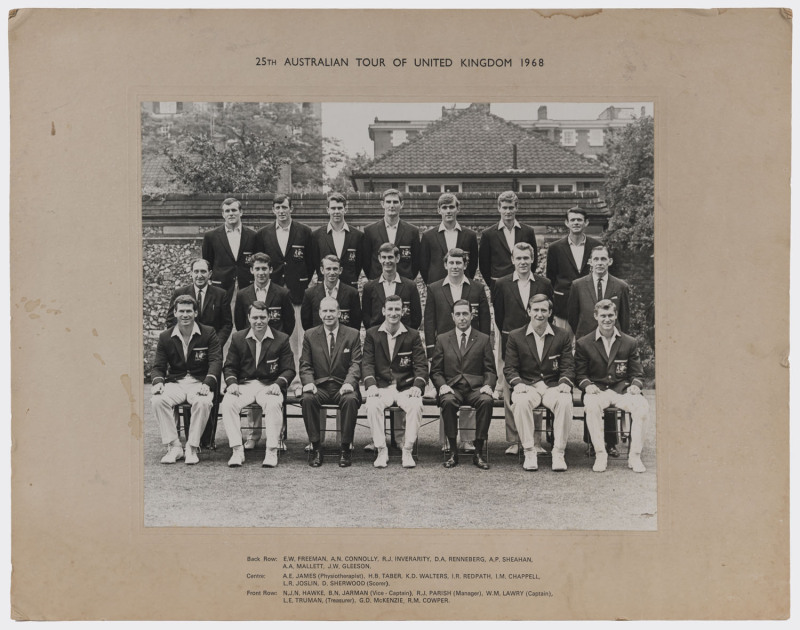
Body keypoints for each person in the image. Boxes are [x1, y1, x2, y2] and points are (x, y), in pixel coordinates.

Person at [423, 246, 491, 453]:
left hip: (471, 346)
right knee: (446, 393)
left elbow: (485, 320)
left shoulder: (477, 288)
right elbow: (429, 320)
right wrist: (431, 350)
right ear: (445, 265)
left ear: (465, 265)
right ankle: (447, 440)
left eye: (458, 262)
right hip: (445, 347)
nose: (455, 266)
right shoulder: (435, 288)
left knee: (471, 384)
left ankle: (468, 440)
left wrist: (483, 344)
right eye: (451, 262)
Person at [491, 242, 554, 455]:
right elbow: (499, 316)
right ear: (512, 260)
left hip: (537, 343)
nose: (523, 262)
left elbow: (546, 313)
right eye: (518, 258)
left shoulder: (544, 284)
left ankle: (535, 441)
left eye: (526, 258)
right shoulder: (501, 284)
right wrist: (511, 336)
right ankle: (514, 440)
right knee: (512, 391)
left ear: (532, 259)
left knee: (535, 389)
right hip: (511, 342)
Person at [575, 299, 650, 473]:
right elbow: (580, 374)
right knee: (591, 407)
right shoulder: (584, 343)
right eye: (603, 316)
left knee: (642, 406)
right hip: (597, 390)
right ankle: (601, 454)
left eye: (610, 315)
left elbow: (637, 373)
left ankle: (635, 456)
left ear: (616, 316)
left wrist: (636, 386)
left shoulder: (629, 342)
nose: (607, 319)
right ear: (596, 316)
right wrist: (587, 386)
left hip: (621, 390)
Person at [166, 257, 232, 450]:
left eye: (203, 272)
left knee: (208, 393)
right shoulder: (180, 293)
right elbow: (171, 321)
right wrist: (184, 343)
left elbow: (227, 323)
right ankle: (190, 438)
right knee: (187, 394)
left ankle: (208, 439)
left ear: (210, 274)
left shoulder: (220, 294)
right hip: (186, 352)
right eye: (196, 272)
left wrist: (213, 345)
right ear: (191, 273)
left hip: (211, 353)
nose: (200, 275)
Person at [219, 301, 295, 468]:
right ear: (248, 318)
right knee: (228, 403)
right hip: (244, 385)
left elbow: (289, 369)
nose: (259, 321)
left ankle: (272, 451)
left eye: (262, 317)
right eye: (255, 317)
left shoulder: (281, 339)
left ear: (269, 318)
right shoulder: (238, 338)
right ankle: (237, 450)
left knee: (274, 403)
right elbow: (229, 366)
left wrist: (278, 383)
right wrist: (231, 383)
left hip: (269, 385)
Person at [504, 294, 574, 472]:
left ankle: (558, 452)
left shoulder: (563, 335)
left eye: (544, 310)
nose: (539, 314)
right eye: (535, 310)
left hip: (553, 386)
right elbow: (510, 368)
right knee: (519, 402)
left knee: (565, 401)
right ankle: (529, 451)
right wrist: (517, 383)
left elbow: (568, 366)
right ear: (528, 311)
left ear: (550, 312)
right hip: (527, 386)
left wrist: (565, 382)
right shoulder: (515, 336)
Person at [150, 295, 222, 465]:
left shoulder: (208, 333)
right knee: (157, 400)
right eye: (181, 311)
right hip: (176, 383)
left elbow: (216, 361)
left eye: (189, 311)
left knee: (204, 402)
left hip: (199, 383)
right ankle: (174, 446)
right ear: (175, 313)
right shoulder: (165, 337)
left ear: (195, 312)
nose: (185, 315)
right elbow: (158, 366)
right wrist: (158, 382)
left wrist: (208, 383)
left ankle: (192, 447)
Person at [362, 295, 428, 469]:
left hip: (405, 387)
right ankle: (381, 449)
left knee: (416, 404)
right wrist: (371, 384)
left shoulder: (412, 335)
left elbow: (421, 365)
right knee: (372, 404)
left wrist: (417, 386)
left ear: (403, 311)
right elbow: (367, 363)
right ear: (384, 311)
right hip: (381, 387)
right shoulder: (372, 334)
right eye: (390, 309)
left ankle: (407, 449)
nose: (393, 313)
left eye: (397, 309)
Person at [430, 300, 496, 470]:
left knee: (486, 401)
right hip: (452, 387)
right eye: (458, 314)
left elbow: (490, 370)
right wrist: (442, 386)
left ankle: (479, 452)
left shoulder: (483, 339)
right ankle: (453, 451)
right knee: (448, 401)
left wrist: (488, 385)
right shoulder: (443, 339)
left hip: (476, 388)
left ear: (471, 315)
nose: (462, 318)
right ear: (452, 317)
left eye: (465, 314)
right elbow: (436, 371)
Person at [256, 193, 315, 384]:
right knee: (271, 334)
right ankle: (271, 376)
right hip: (272, 292)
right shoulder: (264, 234)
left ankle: (298, 379)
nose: (281, 211)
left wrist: (302, 281)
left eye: (285, 207)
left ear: (291, 209)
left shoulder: (304, 232)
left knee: (297, 336)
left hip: (296, 291)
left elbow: (311, 261)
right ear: (273, 210)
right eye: (278, 207)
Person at [300, 297, 363, 468]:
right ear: (320, 314)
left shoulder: (352, 334)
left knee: (350, 399)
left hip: (342, 385)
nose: (329, 315)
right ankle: (315, 447)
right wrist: (309, 382)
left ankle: (345, 448)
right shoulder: (310, 335)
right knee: (307, 398)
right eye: (325, 311)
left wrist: (349, 383)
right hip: (319, 386)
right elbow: (305, 364)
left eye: (332, 311)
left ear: (339, 313)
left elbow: (356, 363)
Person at [545, 206, 603, 330]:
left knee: (587, 346)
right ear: (567, 223)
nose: (576, 223)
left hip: (590, 306)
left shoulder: (597, 246)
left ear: (586, 222)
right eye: (572, 220)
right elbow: (550, 278)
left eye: (579, 220)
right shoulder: (555, 248)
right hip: (563, 306)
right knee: (563, 345)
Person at [478, 190, 539, 290]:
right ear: (499, 208)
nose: (508, 211)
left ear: (516, 208)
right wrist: (493, 284)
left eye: (511, 208)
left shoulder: (528, 231)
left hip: (523, 283)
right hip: (498, 284)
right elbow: (484, 264)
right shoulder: (488, 234)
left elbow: (534, 259)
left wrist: (526, 278)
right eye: (504, 208)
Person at [201, 197, 259, 301]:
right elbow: (207, 263)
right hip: (221, 287)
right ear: (223, 214)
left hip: (247, 286)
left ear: (240, 212)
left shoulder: (253, 236)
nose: (231, 214)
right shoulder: (211, 236)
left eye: (234, 210)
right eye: (227, 211)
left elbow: (257, 262)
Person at [567, 245, 630, 339]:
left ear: (610, 261)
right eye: (596, 259)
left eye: (603, 259)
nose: (599, 263)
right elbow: (572, 317)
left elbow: (624, 319)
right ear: (590, 262)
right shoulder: (577, 285)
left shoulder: (621, 286)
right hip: (586, 340)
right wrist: (583, 336)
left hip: (612, 340)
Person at [419, 193, 478, 285]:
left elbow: (473, 264)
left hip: (462, 285)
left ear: (458, 209)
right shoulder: (428, 236)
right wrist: (432, 285)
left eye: (451, 207)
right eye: (444, 208)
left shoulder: (470, 235)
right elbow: (423, 266)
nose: (448, 211)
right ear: (439, 210)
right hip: (436, 286)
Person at [362, 188, 421, 281]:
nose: (392, 205)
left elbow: (417, 261)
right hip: (378, 283)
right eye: (388, 202)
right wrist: (374, 279)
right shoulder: (370, 231)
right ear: (382, 204)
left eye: (395, 202)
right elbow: (366, 261)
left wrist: (407, 280)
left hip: (404, 283)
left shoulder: (412, 231)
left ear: (401, 204)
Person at [361, 242, 422, 330]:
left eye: (390, 257)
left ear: (397, 258)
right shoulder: (369, 287)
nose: (387, 261)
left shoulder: (410, 286)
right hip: (378, 337)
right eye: (384, 257)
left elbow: (416, 318)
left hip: (404, 336)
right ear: (379, 259)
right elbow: (366, 317)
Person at [311, 192, 364, 289]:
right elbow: (315, 262)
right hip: (325, 287)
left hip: (349, 286)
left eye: (340, 208)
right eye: (333, 208)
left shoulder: (358, 235)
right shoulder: (317, 235)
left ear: (345, 210)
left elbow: (359, 264)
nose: (336, 211)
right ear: (328, 210)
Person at [233, 253, 295, 336]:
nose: (261, 272)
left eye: (264, 268)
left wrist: (280, 341)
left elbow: (289, 323)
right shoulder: (242, 294)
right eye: (257, 269)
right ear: (251, 270)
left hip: (275, 345)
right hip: (251, 344)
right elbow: (240, 324)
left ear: (271, 269)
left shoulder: (283, 293)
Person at [300, 255, 362, 332]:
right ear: (322, 270)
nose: (332, 272)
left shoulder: (352, 293)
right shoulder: (310, 293)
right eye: (328, 269)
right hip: (318, 340)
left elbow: (356, 323)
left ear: (340, 270)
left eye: (335, 269)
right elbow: (306, 323)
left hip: (344, 340)